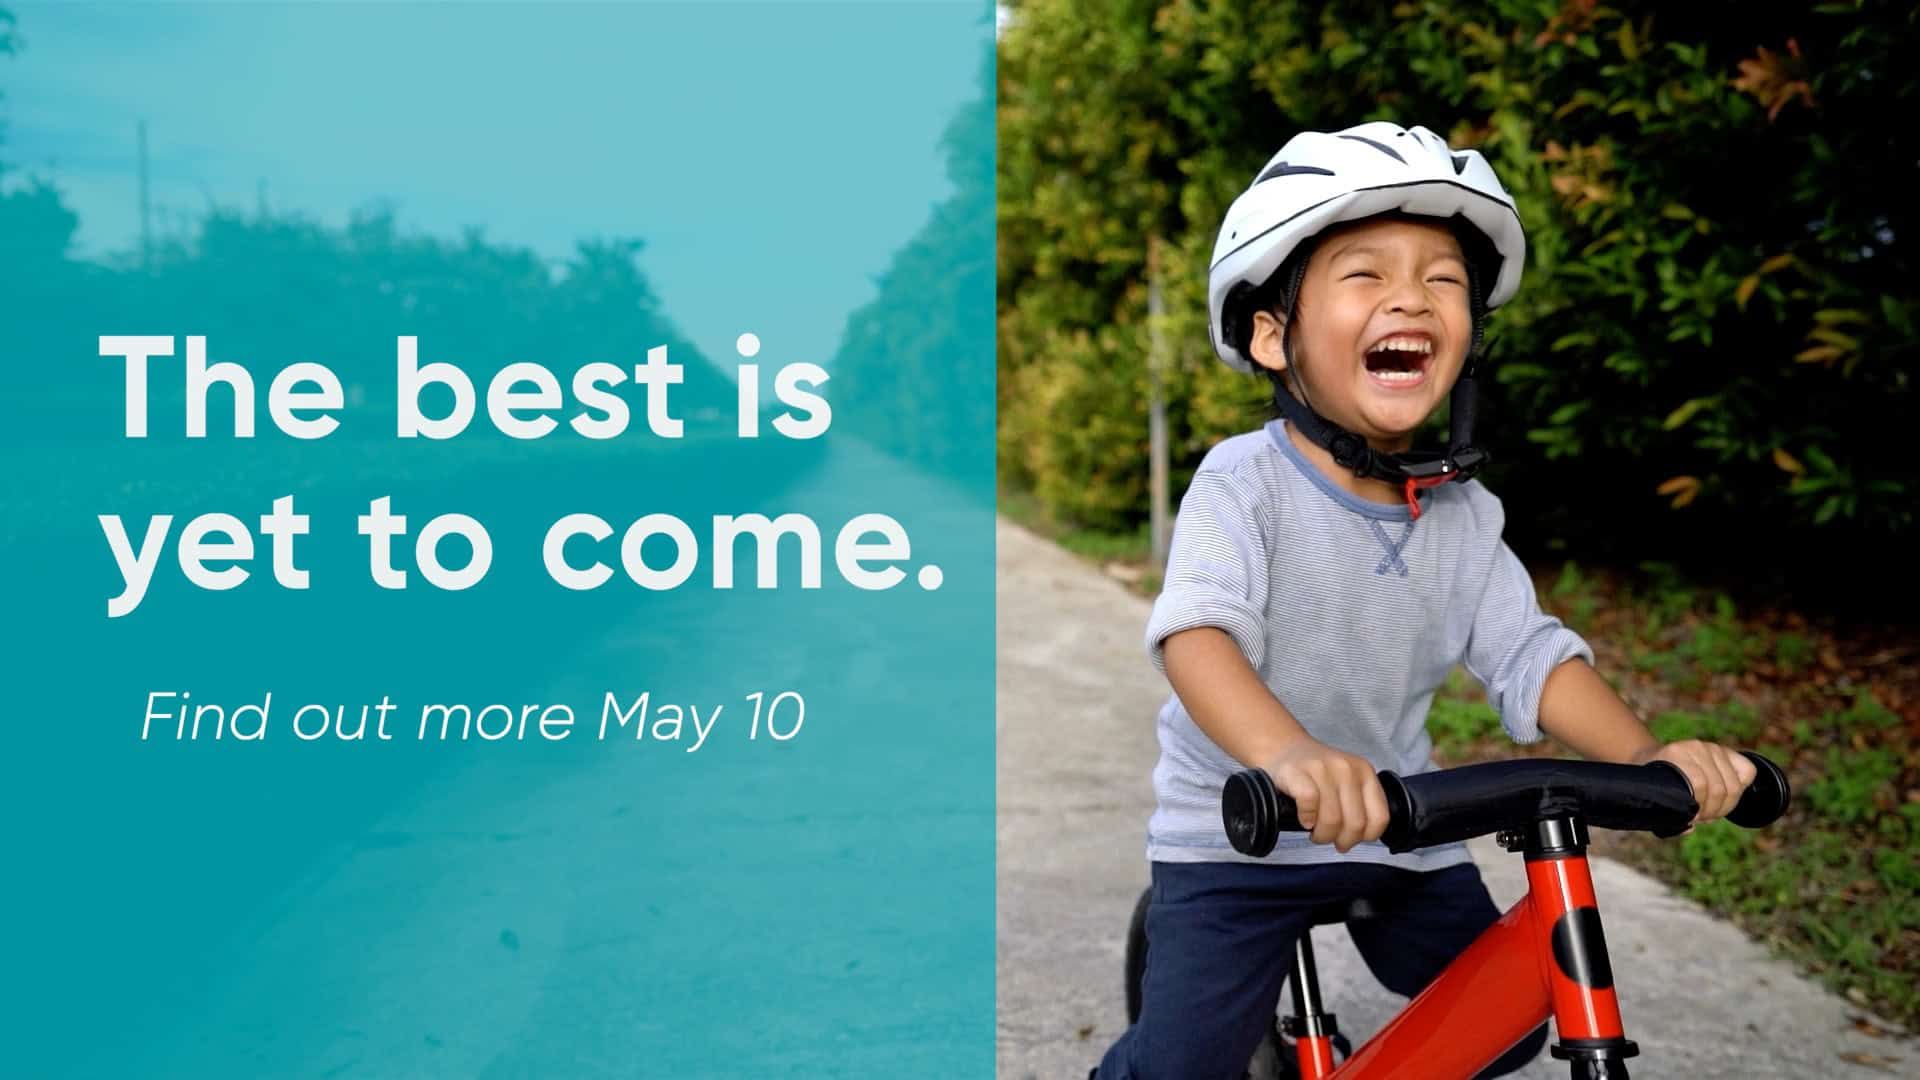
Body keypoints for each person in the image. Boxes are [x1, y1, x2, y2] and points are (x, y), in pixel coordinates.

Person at [1091, 121, 1759, 1080]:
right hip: (1241, 835)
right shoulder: (1242, 483)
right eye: (1365, 274)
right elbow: (1199, 633)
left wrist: (1648, 761)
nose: (1411, 295)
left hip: (1402, 824)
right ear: (1274, 336)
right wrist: (1289, 757)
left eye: (1442, 279)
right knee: (1184, 1067)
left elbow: (1533, 656)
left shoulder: (1464, 515)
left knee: (1515, 1010)